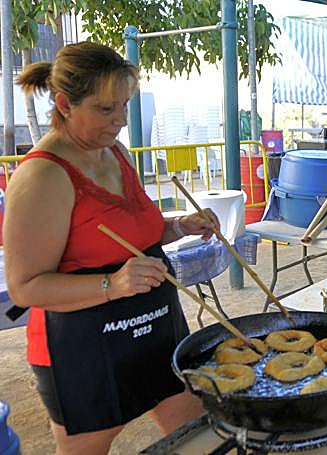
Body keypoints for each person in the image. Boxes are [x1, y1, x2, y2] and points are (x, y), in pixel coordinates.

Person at [4, 41, 221, 454]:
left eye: (124, 105)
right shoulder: (42, 177)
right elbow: (25, 288)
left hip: (155, 325)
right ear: (66, 104)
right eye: (106, 109)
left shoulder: (114, 152)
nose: (121, 120)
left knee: (198, 436)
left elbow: (135, 232)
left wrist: (179, 226)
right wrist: (112, 284)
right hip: (83, 348)